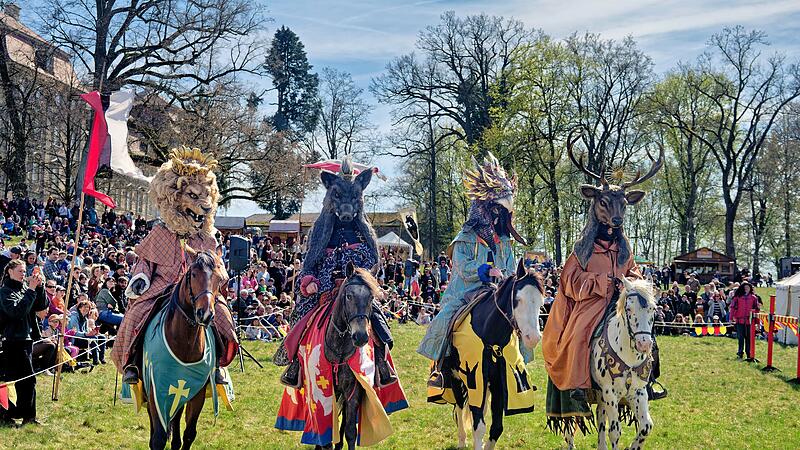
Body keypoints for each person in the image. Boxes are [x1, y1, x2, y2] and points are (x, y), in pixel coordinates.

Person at [418, 153, 526, 388]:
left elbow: (509, 266)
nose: (500, 215)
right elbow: (461, 266)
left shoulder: (505, 241)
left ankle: (519, 369)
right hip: (466, 291)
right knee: (446, 319)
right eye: (497, 209)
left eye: (503, 211)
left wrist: (505, 275)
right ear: (486, 209)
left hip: (498, 291)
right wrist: (485, 270)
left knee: (522, 317)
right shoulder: (464, 238)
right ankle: (442, 368)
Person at [0, 260, 47, 426]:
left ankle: (25, 416)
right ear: (9, 272)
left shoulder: (23, 289)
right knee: (19, 380)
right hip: (12, 341)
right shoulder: (4, 292)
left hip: (25, 339)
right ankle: (11, 415)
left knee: (26, 380)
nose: (23, 274)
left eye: (24, 271)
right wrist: (31, 290)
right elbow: (16, 312)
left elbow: (41, 306)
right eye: (20, 271)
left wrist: (39, 287)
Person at [67, 299, 107, 365]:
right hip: (75, 339)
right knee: (93, 338)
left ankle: (101, 358)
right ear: (79, 308)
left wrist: (92, 332)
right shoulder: (74, 317)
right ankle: (95, 360)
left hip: (83, 337)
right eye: (84, 307)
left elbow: (85, 331)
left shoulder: (85, 318)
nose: (86, 309)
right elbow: (75, 333)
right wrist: (87, 334)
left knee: (102, 337)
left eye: (88, 307)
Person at [730, 281, 759, 359]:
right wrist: (731, 317)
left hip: (750, 321)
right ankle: (740, 353)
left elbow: (757, 309)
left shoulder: (754, 298)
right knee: (740, 337)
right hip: (739, 320)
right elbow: (732, 307)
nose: (746, 289)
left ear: (750, 289)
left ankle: (749, 353)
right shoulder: (737, 297)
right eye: (745, 288)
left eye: (748, 287)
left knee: (749, 338)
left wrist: (757, 321)